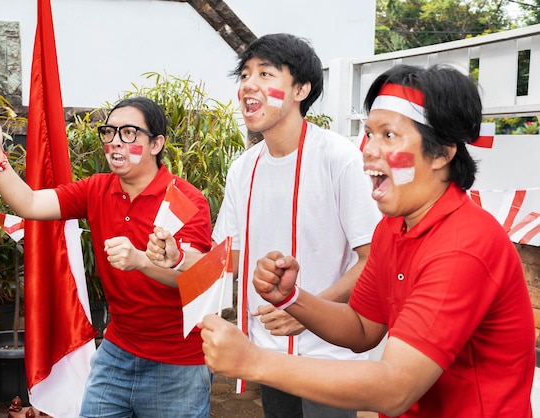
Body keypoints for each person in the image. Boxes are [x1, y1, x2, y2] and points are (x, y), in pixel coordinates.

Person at [198, 64, 537, 417]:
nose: (369, 150)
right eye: (369, 133)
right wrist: (293, 298)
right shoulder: (393, 228)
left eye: (388, 135)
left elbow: (395, 388)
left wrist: (252, 361)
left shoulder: (464, 246)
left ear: (442, 153)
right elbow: (362, 327)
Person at [147, 33, 382, 418]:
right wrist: (177, 257)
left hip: (330, 357)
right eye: (244, 74)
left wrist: (306, 308)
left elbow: (374, 258)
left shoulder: (339, 158)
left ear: (301, 89)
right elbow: (228, 258)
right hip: (268, 353)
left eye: (266, 74)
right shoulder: (244, 168)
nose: (249, 85)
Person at [0, 97, 213, 418]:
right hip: (117, 351)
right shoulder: (97, 189)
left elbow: (200, 276)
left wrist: (146, 260)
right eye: (109, 132)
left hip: (178, 362)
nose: (115, 142)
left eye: (129, 133)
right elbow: (29, 203)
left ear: (156, 144)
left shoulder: (183, 199)